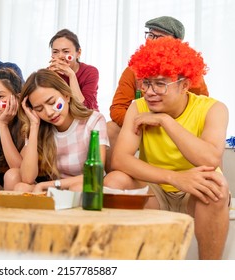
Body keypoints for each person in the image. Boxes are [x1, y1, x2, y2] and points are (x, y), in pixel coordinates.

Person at [103, 37, 230, 259]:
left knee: (216, 187)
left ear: (185, 85)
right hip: (157, 189)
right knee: (114, 181)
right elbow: (121, 160)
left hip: (196, 192)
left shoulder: (214, 108)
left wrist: (166, 121)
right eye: (146, 83)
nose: (150, 91)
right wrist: (174, 178)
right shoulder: (138, 107)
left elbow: (210, 159)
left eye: (160, 84)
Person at [106, 16, 210, 173]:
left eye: (159, 36)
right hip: (145, 126)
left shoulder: (189, 73)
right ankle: (120, 180)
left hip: (182, 129)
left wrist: (168, 124)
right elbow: (118, 108)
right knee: (110, 128)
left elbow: (201, 108)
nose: (151, 41)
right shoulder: (133, 70)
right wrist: (143, 123)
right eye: (150, 35)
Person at [9, 69, 108, 192]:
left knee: (76, 189)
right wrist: (34, 127)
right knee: (20, 187)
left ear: (66, 95)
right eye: (39, 109)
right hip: (56, 190)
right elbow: (27, 178)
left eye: (52, 102)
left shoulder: (94, 120)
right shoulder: (39, 126)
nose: (49, 113)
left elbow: (95, 174)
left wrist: (45, 185)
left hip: (87, 187)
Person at [48, 29, 99, 110]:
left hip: (88, 118)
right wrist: (50, 78)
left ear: (78, 53)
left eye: (65, 51)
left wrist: (71, 75)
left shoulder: (90, 72)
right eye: (55, 52)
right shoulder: (49, 73)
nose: (60, 56)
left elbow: (85, 108)